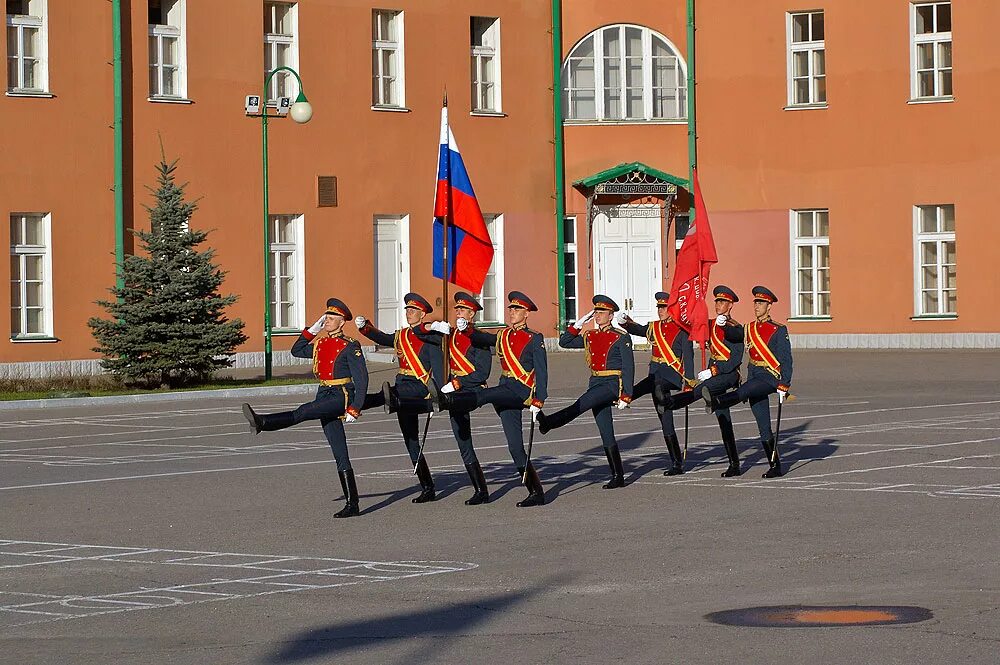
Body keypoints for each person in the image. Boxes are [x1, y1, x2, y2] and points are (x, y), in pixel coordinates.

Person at [240, 298, 367, 518]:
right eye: (326, 317)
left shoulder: (350, 346)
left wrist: (355, 407)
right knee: (339, 451)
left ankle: (263, 423)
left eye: (332, 318)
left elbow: (362, 379)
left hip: (341, 395)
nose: (327, 321)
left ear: (342, 322)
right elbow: (296, 350)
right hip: (324, 391)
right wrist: (312, 330)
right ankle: (352, 504)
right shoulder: (321, 343)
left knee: (303, 412)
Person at [436, 291, 548, 507]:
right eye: (511, 309)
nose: (512, 312)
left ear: (526, 314)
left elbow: (542, 372)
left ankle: (451, 401)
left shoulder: (535, 338)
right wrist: (466, 329)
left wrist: (539, 399)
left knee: (486, 394)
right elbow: (482, 338)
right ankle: (536, 492)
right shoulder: (503, 335)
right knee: (515, 447)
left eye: (517, 309)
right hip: (506, 389)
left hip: (521, 389)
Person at [354, 293, 447, 503]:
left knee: (387, 395)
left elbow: (439, 368)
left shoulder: (431, 337)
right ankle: (428, 487)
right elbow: (382, 338)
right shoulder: (401, 335)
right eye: (407, 310)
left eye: (413, 311)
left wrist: (439, 394)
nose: (409, 313)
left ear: (423, 315)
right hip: (402, 383)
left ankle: (358, 404)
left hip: (419, 386)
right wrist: (365, 327)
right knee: (411, 439)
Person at [537, 295, 634, 489]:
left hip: (611, 384)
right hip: (595, 381)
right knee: (605, 430)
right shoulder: (591, 335)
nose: (598, 315)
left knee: (579, 405)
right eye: (596, 312)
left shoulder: (620, 337)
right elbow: (564, 342)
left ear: (611, 315)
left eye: (602, 312)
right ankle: (618, 475)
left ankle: (549, 422)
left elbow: (628, 367)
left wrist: (626, 395)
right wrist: (580, 322)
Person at [703, 285, 793, 478]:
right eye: (756, 303)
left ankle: (717, 401)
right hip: (754, 374)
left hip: (769, 377)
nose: (757, 306)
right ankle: (775, 465)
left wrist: (785, 383)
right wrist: (723, 326)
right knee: (763, 424)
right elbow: (734, 335)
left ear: (769, 306)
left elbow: (786, 359)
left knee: (744, 390)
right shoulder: (749, 328)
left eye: (761, 303)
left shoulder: (778, 329)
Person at [662, 285, 745, 476]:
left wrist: (713, 370)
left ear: (730, 305)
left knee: (703, 388)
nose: (718, 304)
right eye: (717, 301)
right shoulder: (709, 324)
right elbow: (690, 325)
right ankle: (734, 464)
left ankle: (672, 403)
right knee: (723, 418)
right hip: (714, 374)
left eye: (723, 301)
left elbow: (735, 359)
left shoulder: (735, 327)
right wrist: (688, 304)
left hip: (728, 375)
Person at [422, 292, 493, 505]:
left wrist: (458, 383)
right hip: (452, 389)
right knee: (462, 440)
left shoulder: (479, 339)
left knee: (463, 436)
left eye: (462, 310)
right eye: (457, 310)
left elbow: (482, 373)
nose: (458, 313)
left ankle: (481, 490)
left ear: (472, 315)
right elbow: (419, 333)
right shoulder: (450, 334)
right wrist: (432, 326)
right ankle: (481, 489)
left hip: (469, 390)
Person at [617, 292, 693, 475]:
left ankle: (627, 396)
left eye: (664, 307)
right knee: (665, 420)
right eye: (659, 307)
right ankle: (676, 463)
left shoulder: (681, 330)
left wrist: (689, 382)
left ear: (672, 309)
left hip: (672, 376)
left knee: (653, 384)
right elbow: (639, 330)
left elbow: (688, 358)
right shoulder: (654, 327)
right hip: (656, 377)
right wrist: (625, 323)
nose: (660, 310)